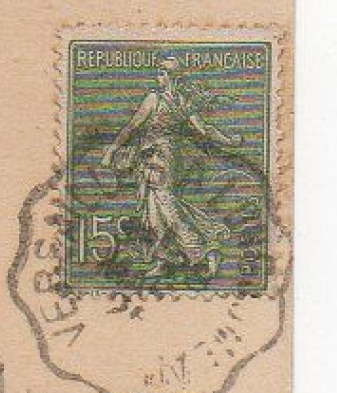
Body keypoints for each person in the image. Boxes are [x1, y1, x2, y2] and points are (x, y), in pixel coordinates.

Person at [99, 55, 240, 274]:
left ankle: (204, 248)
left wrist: (112, 150)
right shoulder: (183, 102)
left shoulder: (154, 99)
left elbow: (132, 127)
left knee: (167, 208)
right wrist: (228, 140)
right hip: (163, 158)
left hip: (159, 160)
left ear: (171, 77)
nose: (158, 76)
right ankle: (165, 259)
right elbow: (204, 130)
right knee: (154, 209)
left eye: (161, 73)